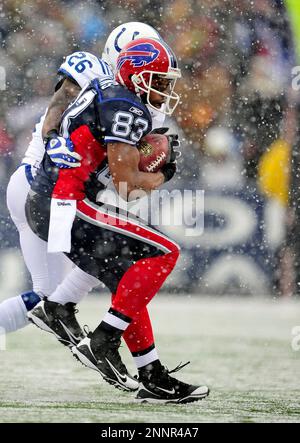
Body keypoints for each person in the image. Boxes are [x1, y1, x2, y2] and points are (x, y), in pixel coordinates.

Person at [26, 37, 209, 404]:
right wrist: (164, 172)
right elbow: (128, 187)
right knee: (165, 251)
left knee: (128, 280)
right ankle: (103, 340)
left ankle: (152, 374)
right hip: (64, 202)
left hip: (55, 200)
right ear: (137, 76)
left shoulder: (109, 89)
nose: (165, 90)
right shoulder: (126, 105)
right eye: (159, 81)